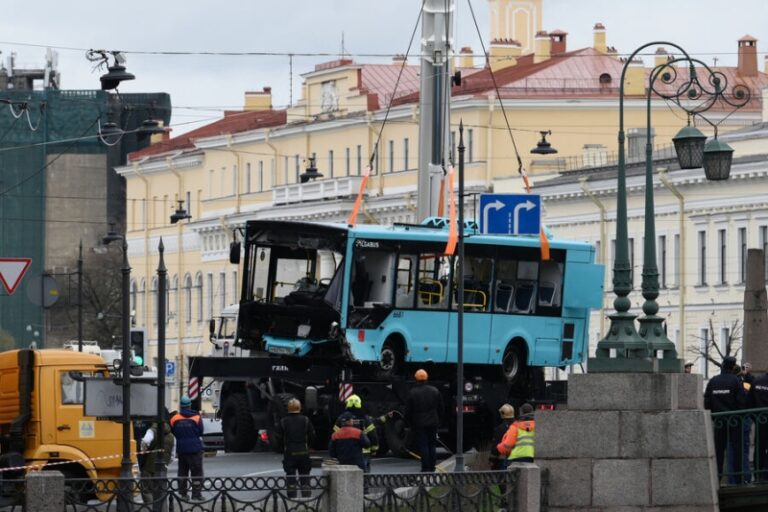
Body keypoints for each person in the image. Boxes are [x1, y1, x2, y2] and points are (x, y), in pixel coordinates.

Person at [704, 356, 747, 484]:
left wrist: (714, 415)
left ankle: (717, 479)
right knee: (737, 450)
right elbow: (741, 401)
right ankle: (738, 480)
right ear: (733, 366)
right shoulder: (736, 381)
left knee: (718, 451)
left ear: (722, 365)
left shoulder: (713, 381)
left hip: (719, 422)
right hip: (734, 421)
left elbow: (707, 402)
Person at [274, 398, 315, 498]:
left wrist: (281, 448)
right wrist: (309, 446)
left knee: (290, 476)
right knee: (305, 476)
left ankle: (292, 498)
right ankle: (306, 497)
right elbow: (312, 435)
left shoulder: (283, 421)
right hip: (303, 451)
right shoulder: (305, 420)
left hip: (290, 452)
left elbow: (278, 437)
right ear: (299, 408)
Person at [405, 369, 443, 472]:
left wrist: (407, 423)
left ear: (416, 379)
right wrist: (439, 420)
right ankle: (432, 466)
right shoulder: (435, 390)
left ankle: (425, 467)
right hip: (433, 422)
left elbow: (408, 410)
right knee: (432, 444)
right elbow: (441, 408)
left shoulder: (412, 393)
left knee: (423, 445)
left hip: (419, 423)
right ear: (426, 378)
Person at [170, 395, 204, 500]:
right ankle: (196, 494)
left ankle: (183, 494)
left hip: (182, 450)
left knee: (183, 472)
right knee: (197, 473)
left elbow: (173, 432)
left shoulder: (174, 418)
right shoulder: (197, 417)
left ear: (181, 406)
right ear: (189, 406)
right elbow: (200, 432)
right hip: (195, 449)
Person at [333, 394, 378, 472]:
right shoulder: (365, 418)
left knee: (345, 474)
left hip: (344, 451)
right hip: (363, 452)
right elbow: (372, 435)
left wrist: (335, 451)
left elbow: (335, 435)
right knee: (363, 474)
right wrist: (374, 449)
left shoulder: (341, 418)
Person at [139, 409, 175, 507]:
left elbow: (145, 441)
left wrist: (143, 451)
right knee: (161, 491)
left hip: (149, 467)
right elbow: (172, 456)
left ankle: (150, 508)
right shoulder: (172, 436)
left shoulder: (152, 430)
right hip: (163, 468)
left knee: (147, 490)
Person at [749, 369, 768, 482]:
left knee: (759, 447)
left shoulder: (757, 381)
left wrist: (755, 418)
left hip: (760, 421)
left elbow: (749, 402)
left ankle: (758, 473)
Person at [489, 404, 516, 470]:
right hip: (516, 459)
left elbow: (496, 445)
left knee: (501, 479)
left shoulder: (500, 428)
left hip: (502, 460)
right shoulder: (518, 426)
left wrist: (492, 460)